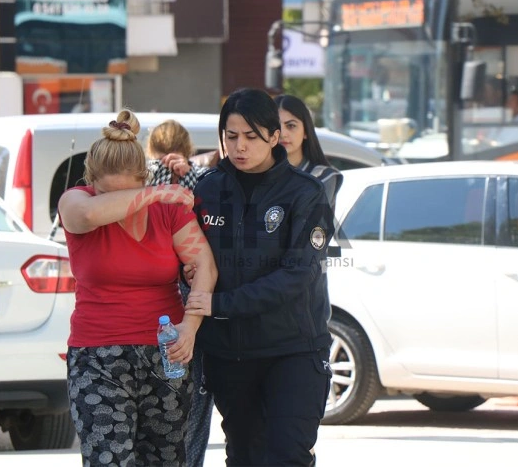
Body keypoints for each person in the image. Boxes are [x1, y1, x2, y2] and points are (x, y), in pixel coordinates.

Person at [57, 109, 217, 466]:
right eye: (107, 195)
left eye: (128, 192)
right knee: (108, 460)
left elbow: (204, 264)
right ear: (90, 180)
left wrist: (191, 326)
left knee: (164, 460)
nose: (119, 207)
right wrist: (153, 194)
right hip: (98, 355)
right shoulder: (76, 201)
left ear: (141, 177)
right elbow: (86, 216)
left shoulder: (168, 211)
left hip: (165, 352)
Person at [184, 88, 335, 466]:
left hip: (294, 351)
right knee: (244, 457)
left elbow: (297, 275)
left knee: (288, 455)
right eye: (231, 136)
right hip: (229, 356)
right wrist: (186, 269)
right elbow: (188, 258)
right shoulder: (207, 190)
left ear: (272, 136)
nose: (240, 147)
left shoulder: (306, 193)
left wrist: (220, 304)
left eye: (251, 137)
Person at [145, 118, 214, 467]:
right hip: (194, 311)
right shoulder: (204, 183)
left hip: (143, 314)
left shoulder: (136, 180)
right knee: (193, 412)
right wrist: (188, 176)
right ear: (188, 149)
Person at [274, 94, 343, 210]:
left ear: (306, 131)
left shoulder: (322, 178)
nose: (282, 134)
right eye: (275, 126)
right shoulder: (255, 175)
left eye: (291, 126)